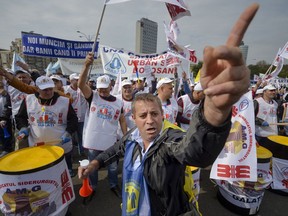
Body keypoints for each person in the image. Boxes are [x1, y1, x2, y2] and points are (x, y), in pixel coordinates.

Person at [78, 3, 258, 215]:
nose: (149, 120)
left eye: (154, 114)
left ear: (162, 115)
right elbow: (114, 150)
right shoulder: (132, 137)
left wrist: (215, 112)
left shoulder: (169, 140)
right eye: (143, 115)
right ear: (133, 118)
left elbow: (194, 152)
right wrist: (94, 164)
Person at [78, 67, 127, 197]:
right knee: (92, 168)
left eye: (105, 87)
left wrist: (125, 135)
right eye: (100, 88)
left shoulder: (118, 102)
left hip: (110, 141)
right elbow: (81, 84)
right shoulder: (92, 96)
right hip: (93, 141)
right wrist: (86, 65)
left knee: (113, 167)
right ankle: (93, 186)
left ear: (111, 86)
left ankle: (113, 184)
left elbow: (122, 120)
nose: (102, 90)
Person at [15, 76, 78, 177]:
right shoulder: (29, 100)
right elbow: (20, 117)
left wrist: (68, 132)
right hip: (38, 144)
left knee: (62, 169)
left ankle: (68, 171)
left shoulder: (64, 101)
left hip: (60, 143)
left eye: (50, 89)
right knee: (42, 170)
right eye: (44, 90)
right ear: (37, 88)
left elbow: (73, 119)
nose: (48, 92)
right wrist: (23, 127)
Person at [63, 73, 87, 156]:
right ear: (70, 80)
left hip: (82, 118)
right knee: (70, 136)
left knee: (81, 135)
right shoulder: (65, 90)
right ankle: (71, 152)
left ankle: (82, 151)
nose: (78, 81)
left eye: (78, 79)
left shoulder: (83, 89)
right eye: (75, 80)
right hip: (70, 118)